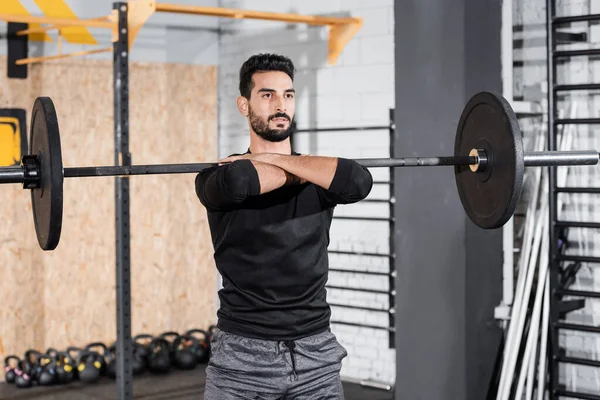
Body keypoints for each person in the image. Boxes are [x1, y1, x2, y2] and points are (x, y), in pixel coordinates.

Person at [196, 53, 373, 399]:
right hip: (242, 363)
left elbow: (359, 181)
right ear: (243, 105)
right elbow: (239, 184)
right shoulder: (216, 176)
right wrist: (295, 167)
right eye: (267, 95)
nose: (281, 105)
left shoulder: (317, 178)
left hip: (315, 357)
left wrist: (269, 159)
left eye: (288, 95)